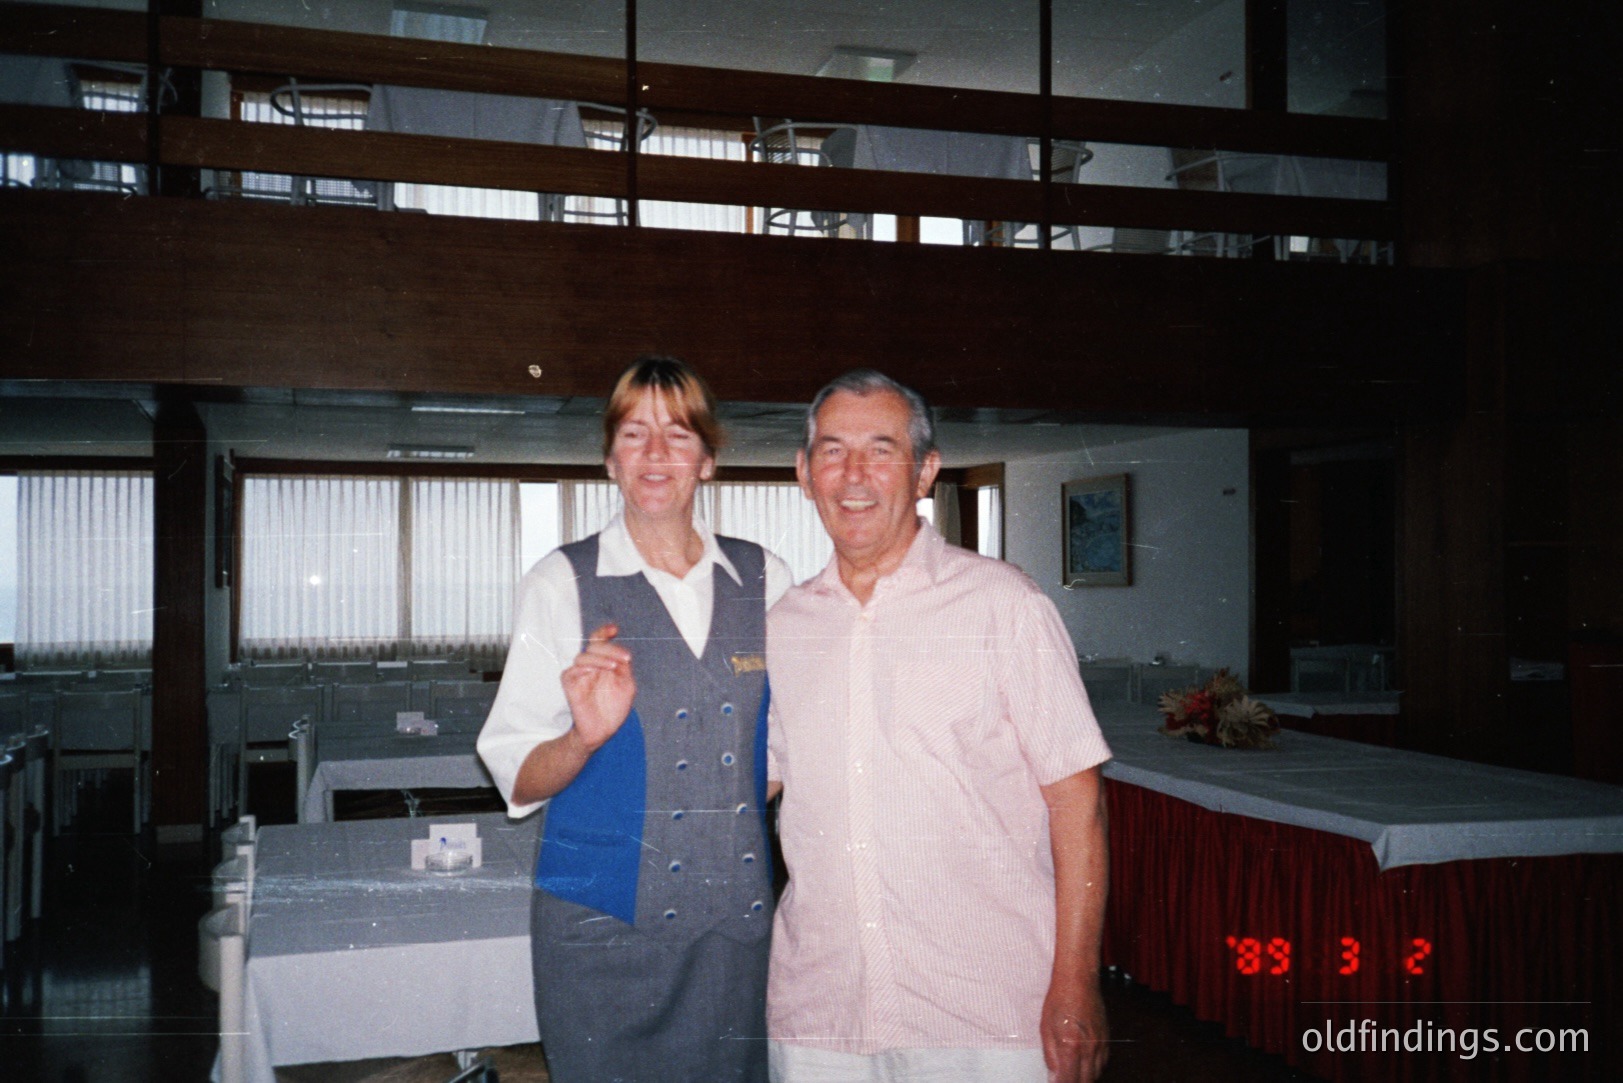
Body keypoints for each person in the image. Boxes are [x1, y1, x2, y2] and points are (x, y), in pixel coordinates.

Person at [764, 370, 1113, 1083]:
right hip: (821, 1011)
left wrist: (1076, 983)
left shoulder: (1002, 605)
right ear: (803, 473)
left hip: (986, 1013)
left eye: (881, 449)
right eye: (831, 451)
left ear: (924, 471)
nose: (853, 474)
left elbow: (1078, 807)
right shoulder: (781, 628)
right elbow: (749, 785)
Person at [478, 356, 791, 1083]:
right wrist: (582, 738)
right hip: (600, 929)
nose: (655, 454)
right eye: (633, 433)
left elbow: (786, 750)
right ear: (610, 459)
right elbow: (518, 773)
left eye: (677, 435)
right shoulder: (560, 582)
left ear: (707, 460)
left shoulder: (766, 577)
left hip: (733, 930)